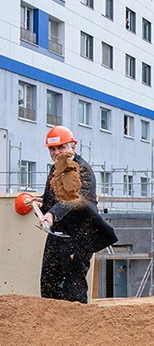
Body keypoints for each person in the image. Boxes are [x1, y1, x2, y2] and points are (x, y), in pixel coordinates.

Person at [28, 126, 118, 303]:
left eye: (61, 147)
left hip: (78, 237)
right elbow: (55, 197)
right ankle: (53, 327)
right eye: (52, 149)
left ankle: (77, 327)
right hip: (57, 235)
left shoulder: (82, 170)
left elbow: (74, 199)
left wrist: (52, 215)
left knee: (73, 288)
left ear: (73, 147)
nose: (56, 152)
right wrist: (41, 201)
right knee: (49, 284)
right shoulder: (57, 168)